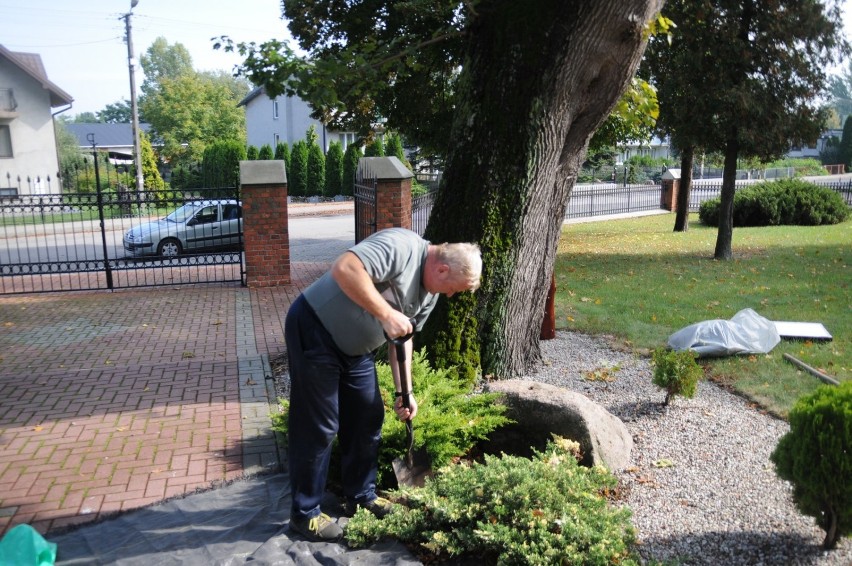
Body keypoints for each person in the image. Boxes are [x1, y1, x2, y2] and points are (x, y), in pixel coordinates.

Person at [285, 227, 482, 542]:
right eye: (452, 288)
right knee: (319, 425)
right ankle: (304, 514)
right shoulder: (400, 246)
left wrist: (406, 392)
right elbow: (345, 268)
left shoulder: (429, 293)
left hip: (356, 351)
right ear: (442, 269)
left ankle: (360, 495)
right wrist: (386, 313)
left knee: (367, 416)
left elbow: (402, 337)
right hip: (315, 329)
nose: (450, 295)